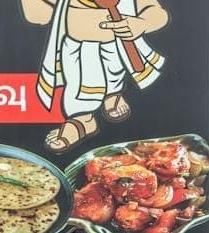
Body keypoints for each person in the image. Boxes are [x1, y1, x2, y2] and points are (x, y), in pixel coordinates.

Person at [22, 0, 169, 152]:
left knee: (113, 73)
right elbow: (38, 15)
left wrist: (142, 23)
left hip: (115, 47)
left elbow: (157, 12)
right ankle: (83, 119)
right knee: (78, 85)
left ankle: (112, 94)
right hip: (75, 48)